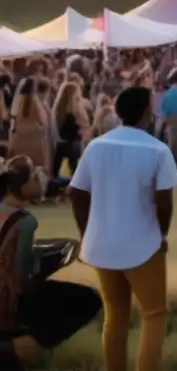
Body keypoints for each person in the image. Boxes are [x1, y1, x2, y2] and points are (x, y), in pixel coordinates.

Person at [69, 86, 177, 371]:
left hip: (102, 243)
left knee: (115, 316)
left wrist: (86, 233)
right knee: (154, 314)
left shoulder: (96, 146)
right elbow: (164, 203)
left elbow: (77, 193)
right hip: (142, 243)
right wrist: (162, 235)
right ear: (146, 112)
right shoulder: (158, 150)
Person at [0, 155, 102, 369]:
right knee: (87, 300)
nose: (41, 178)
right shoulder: (25, 221)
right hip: (7, 300)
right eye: (34, 176)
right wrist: (48, 262)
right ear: (22, 186)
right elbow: (21, 276)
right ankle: (18, 347)